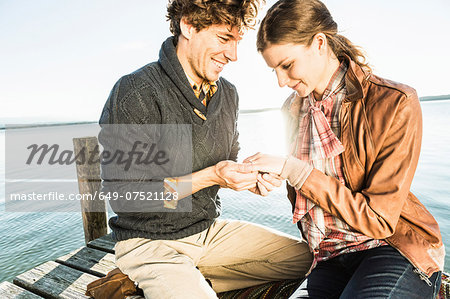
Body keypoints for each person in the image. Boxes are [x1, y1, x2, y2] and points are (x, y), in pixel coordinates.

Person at [98, 0, 312, 298]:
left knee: (308, 259)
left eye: (237, 42)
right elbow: (126, 197)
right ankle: (161, 277)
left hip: (208, 233)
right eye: (224, 39)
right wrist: (212, 175)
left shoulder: (228, 94)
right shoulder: (136, 91)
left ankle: (175, 283)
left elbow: (227, 161)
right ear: (188, 26)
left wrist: (251, 180)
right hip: (147, 242)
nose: (234, 55)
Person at [244, 0, 445, 297]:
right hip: (328, 256)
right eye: (274, 70)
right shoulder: (292, 109)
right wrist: (271, 180)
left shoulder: (395, 102)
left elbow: (378, 220)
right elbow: (308, 186)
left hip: (391, 247)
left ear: (320, 44)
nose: (281, 81)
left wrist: (293, 170)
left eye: (287, 66)